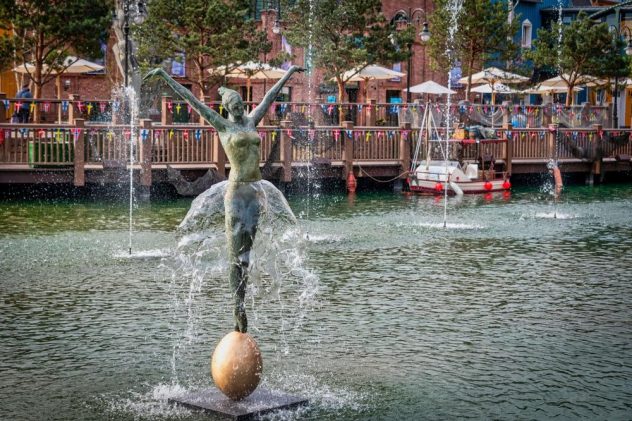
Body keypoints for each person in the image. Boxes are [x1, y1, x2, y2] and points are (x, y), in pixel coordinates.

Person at [145, 65, 303, 333]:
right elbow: (192, 100)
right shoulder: (222, 125)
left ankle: (243, 299)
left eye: (241, 104)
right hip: (236, 193)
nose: (239, 109)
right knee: (235, 253)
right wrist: (164, 75)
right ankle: (236, 306)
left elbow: (270, 96)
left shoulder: (251, 121)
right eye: (234, 106)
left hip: (255, 191)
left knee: (247, 254)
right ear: (227, 108)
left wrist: (289, 73)